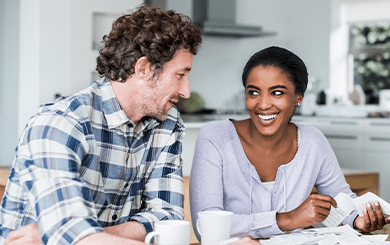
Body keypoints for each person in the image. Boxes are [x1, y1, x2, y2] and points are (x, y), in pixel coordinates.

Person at [0, 5, 202, 245]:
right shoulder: (60, 124)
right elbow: (72, 234)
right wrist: (74, 235)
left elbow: (167, 219)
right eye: (180, 75)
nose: (186, 91)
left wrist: (77, 235)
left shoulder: (167, 124)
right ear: (144, 68)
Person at [190, 46, 390, 241]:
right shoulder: (216, 137)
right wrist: (287, 219)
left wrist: (358, 220)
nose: (263, 104)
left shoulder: (312, 141)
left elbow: (342, 201)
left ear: (298, 98)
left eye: (277, 93)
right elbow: (205, 227)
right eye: (253, 92)